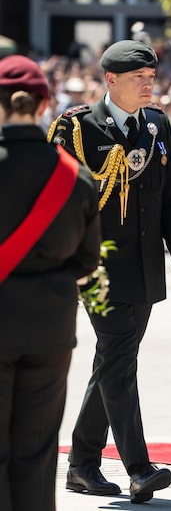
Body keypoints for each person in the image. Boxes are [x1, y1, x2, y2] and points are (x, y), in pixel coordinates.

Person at [49, 40, 171, 503]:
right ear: (110, 80)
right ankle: (138, 467)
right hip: (95, 266)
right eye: (139, 78)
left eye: (151, 77)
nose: (148, 85)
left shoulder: (155, 125)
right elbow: (58, 203)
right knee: (118, 355)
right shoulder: (76, 129)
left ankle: (81, 465)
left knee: (113, 360)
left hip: (143, 264)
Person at [0, 55, 100, 511]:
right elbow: (87, 259)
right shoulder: (73, 174)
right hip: (51, 328)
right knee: (38, 451)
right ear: (44, 105)